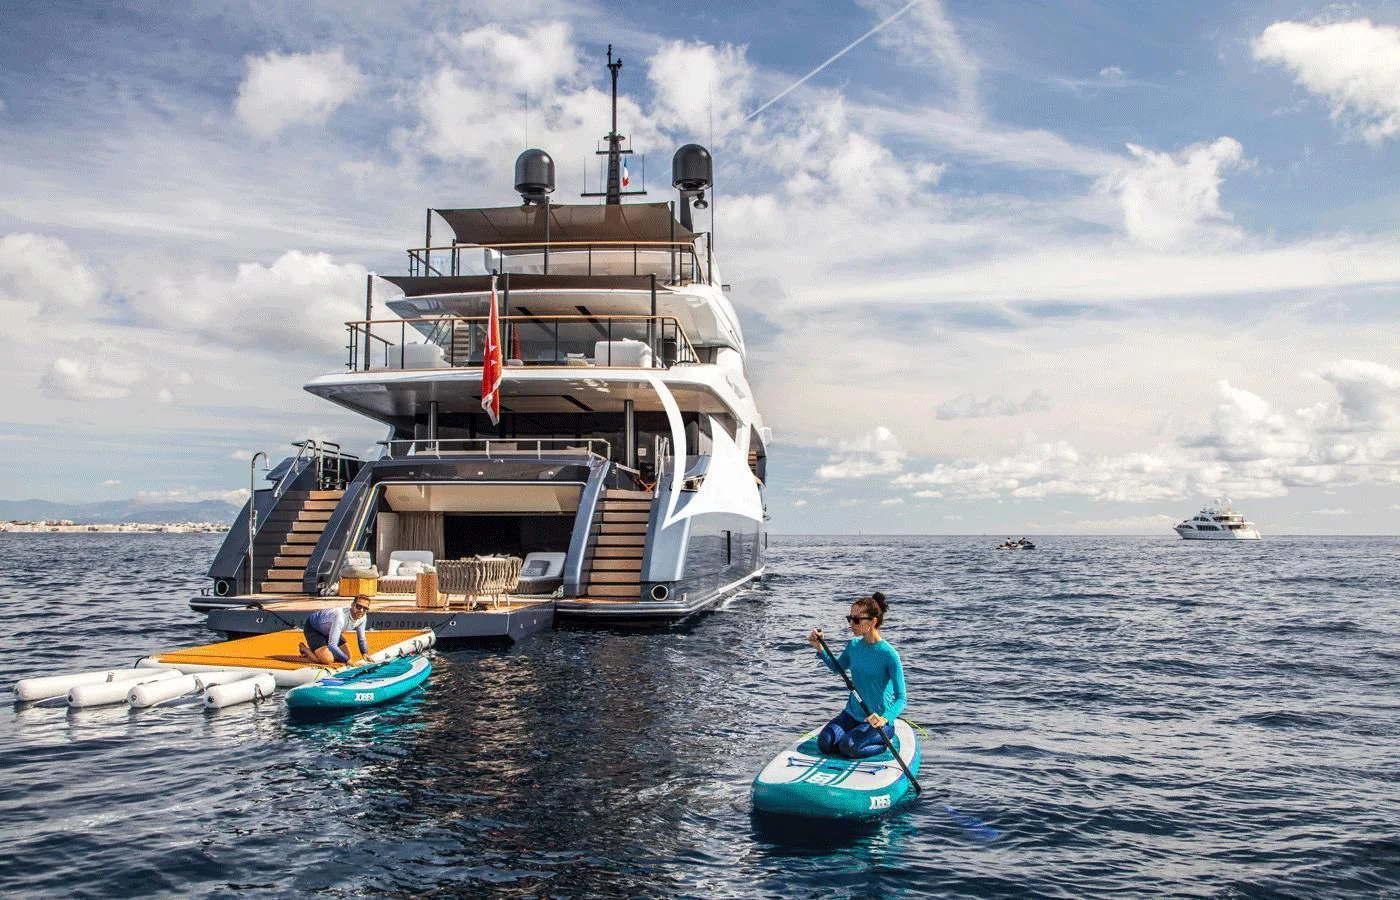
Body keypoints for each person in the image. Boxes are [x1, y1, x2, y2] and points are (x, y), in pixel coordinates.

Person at [805, 591, 907, 759]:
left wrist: (884, 719)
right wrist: (819, 647)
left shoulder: (889, 655)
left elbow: (902, 698)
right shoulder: (853, 645)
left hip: (877, 722)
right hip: (851, 715)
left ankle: (882, 744)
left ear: (873, 621)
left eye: (856, 620)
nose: (851, 623)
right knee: (825, 743)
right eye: (850, 618)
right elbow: (837, 668)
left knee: (848, 748)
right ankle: (855, 738)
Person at [298, 595, 371, 665]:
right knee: (328, 660)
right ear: (352, 605)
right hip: (314, 628)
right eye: (359, 606)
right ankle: (305, 649)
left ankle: (319, 650)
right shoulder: (340, 617)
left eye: (365, 609)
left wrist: (364, 653)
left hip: (329, 630)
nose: (361, 610)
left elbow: (361, 639)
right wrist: (347, 661)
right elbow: (332, 645)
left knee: (348, 656)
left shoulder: (363, 617)